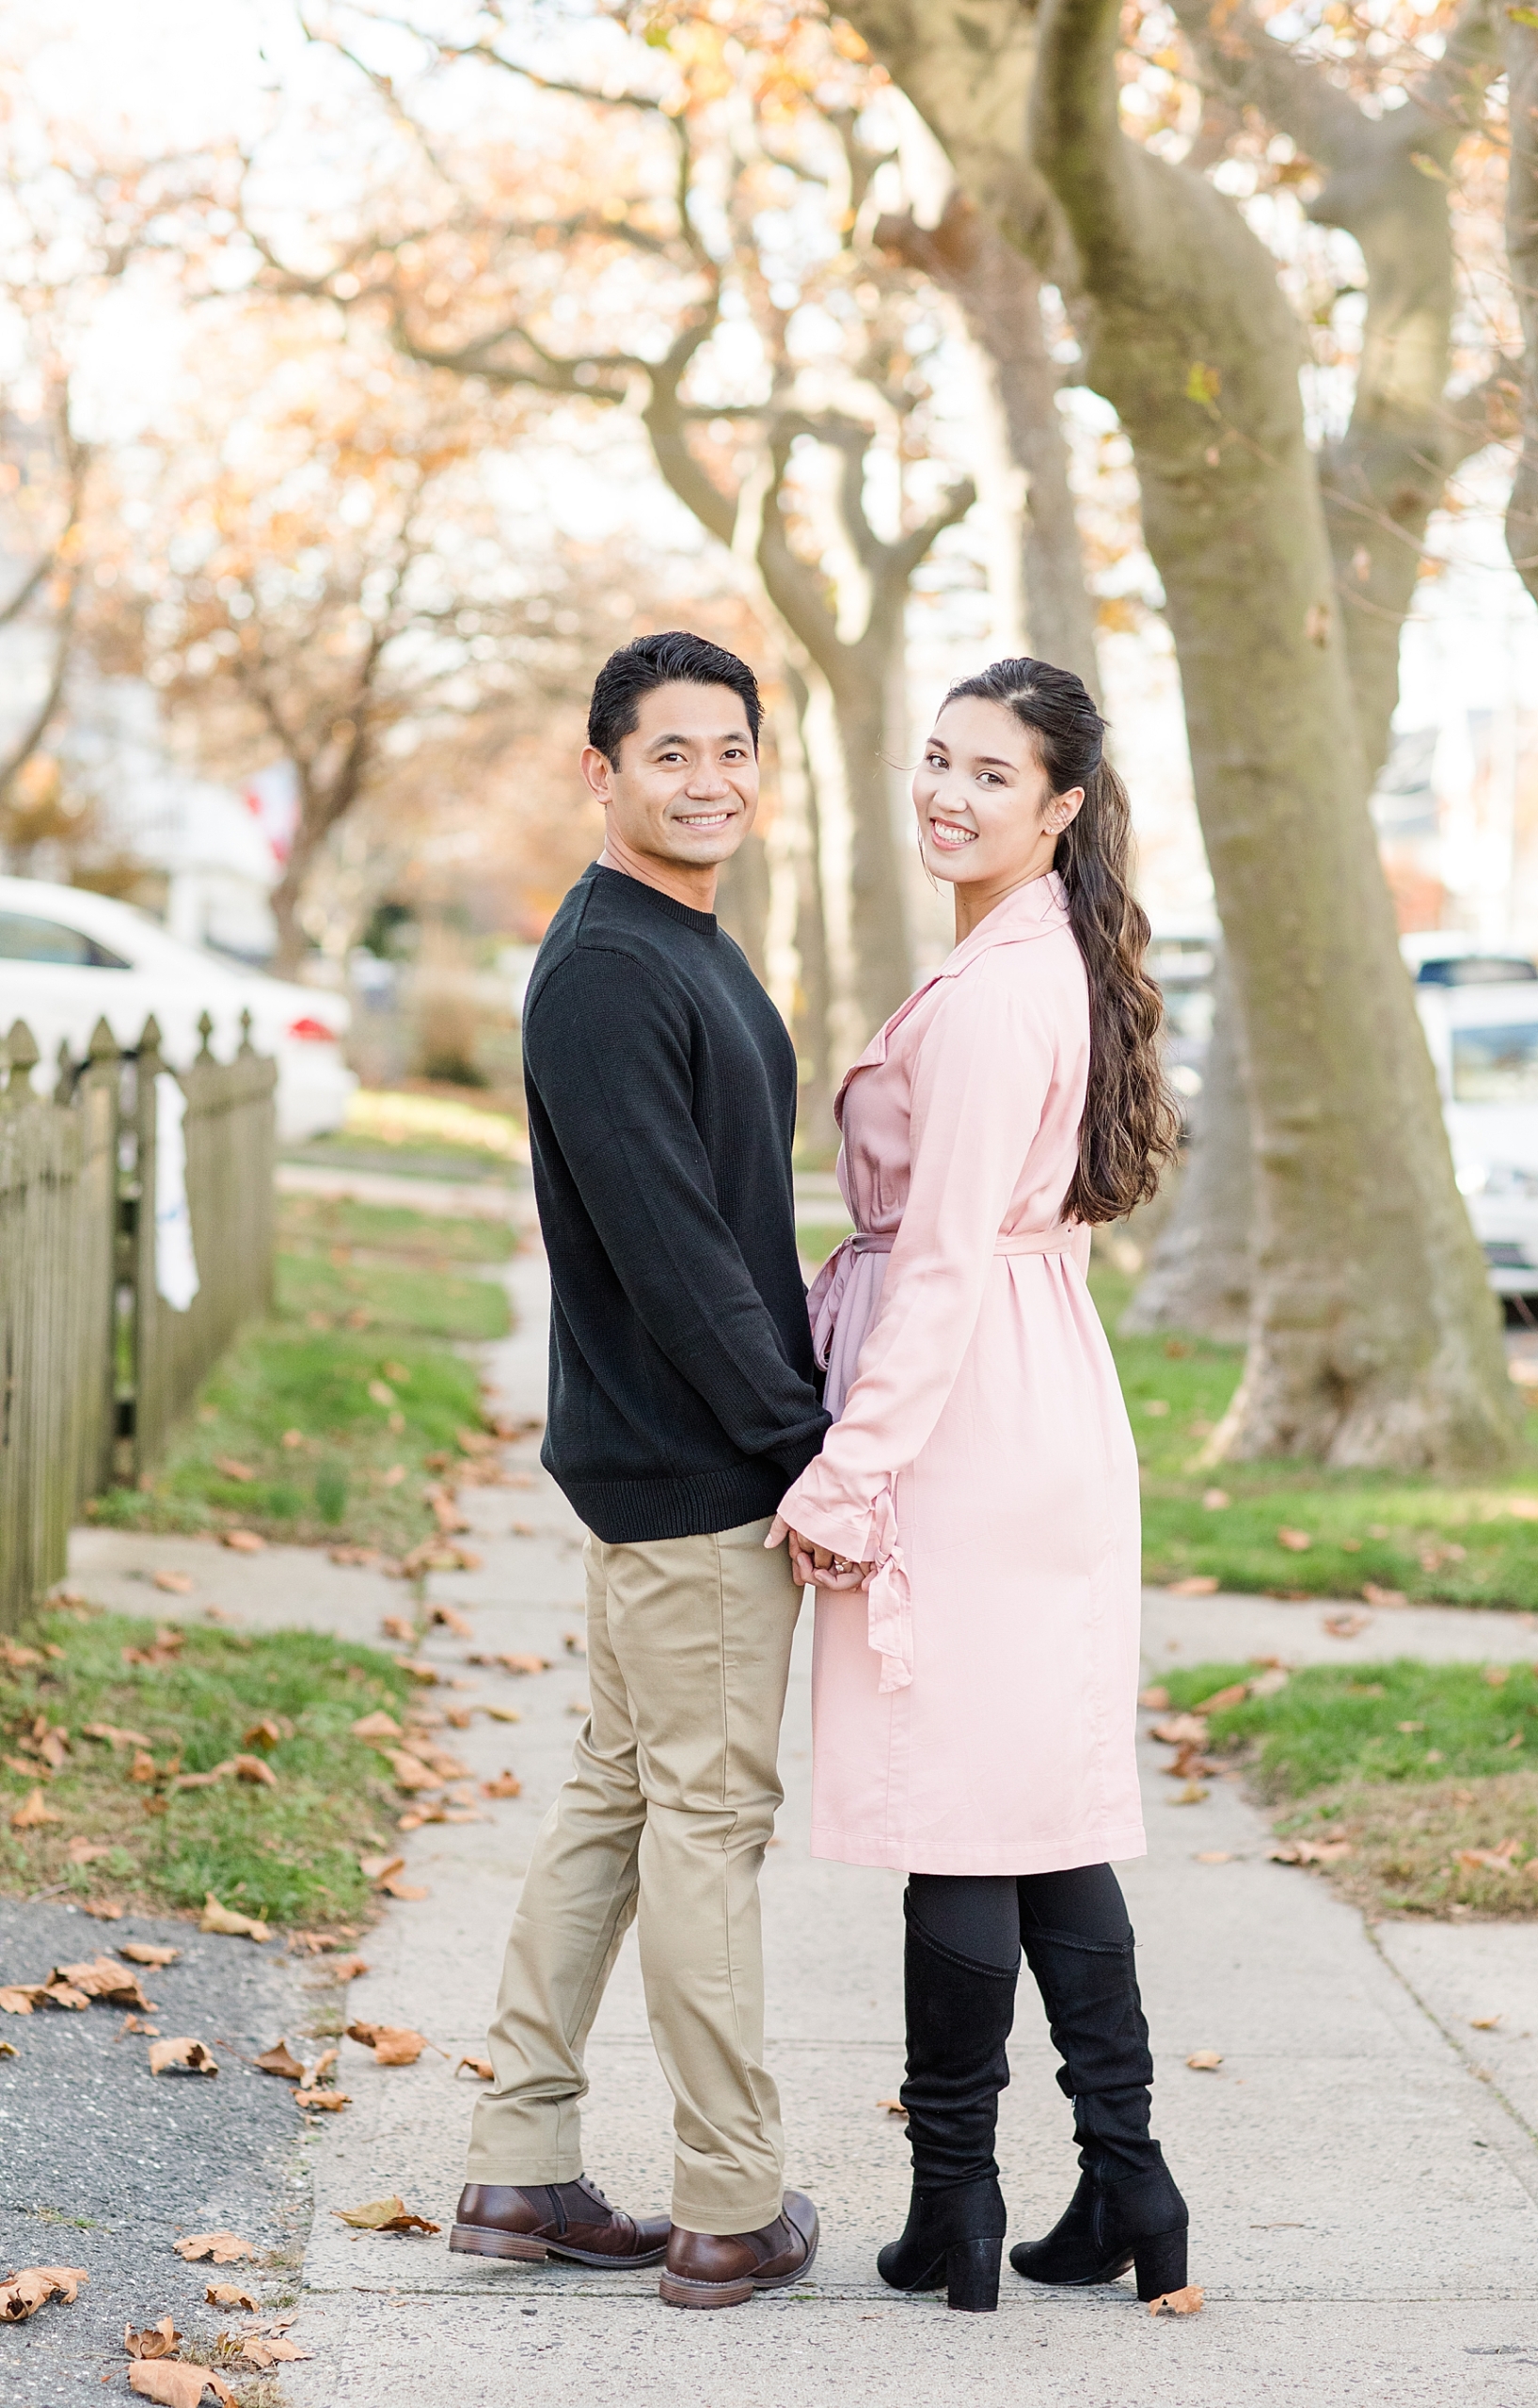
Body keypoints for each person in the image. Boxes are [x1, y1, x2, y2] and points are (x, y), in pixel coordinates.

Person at [767, 657, 1187, 2314]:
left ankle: (970, 2201)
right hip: (1021, 1400)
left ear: (1062, 806)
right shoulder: (1023, 956)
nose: (948, 794)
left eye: (991, 775)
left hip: (967, 1425)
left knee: (970, 1803)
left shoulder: (1010, 986)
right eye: (935, 760)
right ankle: (1116, 2184)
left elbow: (940, 1262)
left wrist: (849, 1472)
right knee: (1026, 1815)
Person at [451, 630, 829, 2311]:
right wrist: (802, 1450)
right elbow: (675, 1252)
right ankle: (730, 2203)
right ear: (598, 771)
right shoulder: (610, 964)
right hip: (696, 1475)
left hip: (666, 1460)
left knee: (619, 1796)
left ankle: (519, 2173)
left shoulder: (682, 941)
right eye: (672, 752)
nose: (712, 779)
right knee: (706, 1823)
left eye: (734, 749)